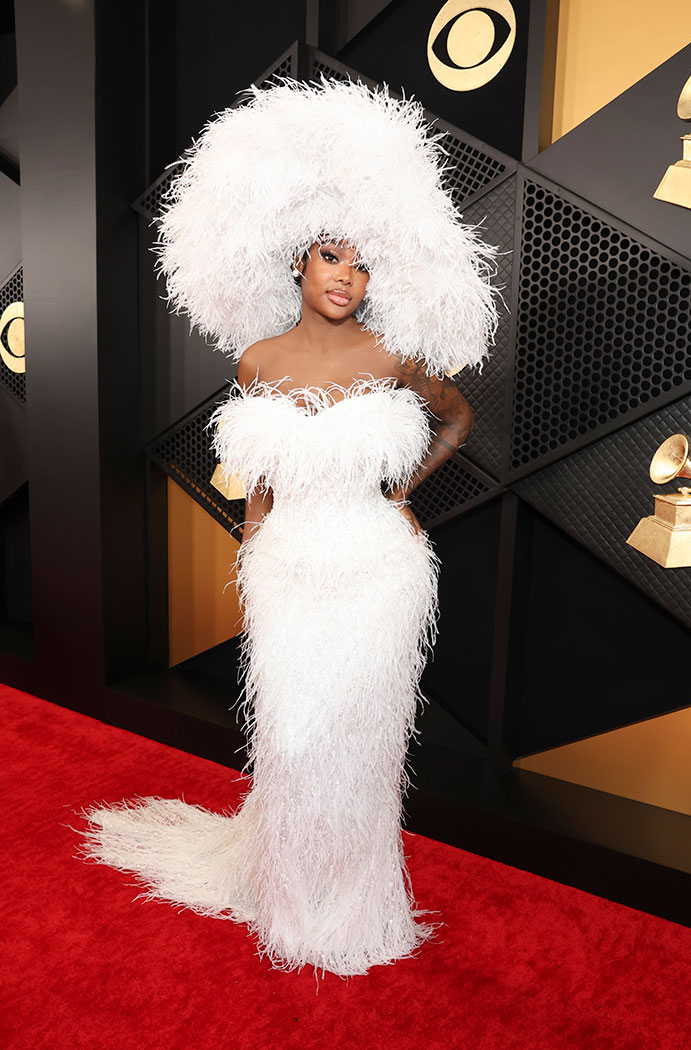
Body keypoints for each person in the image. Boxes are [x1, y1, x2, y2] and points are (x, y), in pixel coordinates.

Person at [76, 77, 498, 977]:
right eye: (331, 259)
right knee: (295, 737)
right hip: (288, 570)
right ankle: (289, 888)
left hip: (377, 569)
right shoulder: (257, 361)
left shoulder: (392, 355)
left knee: (363, 737)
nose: (347, 277)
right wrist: (253, 546)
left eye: (361, 263)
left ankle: (353, 903)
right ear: (298, 265)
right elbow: (260, 477)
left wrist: (400, 493)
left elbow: (459, 419)